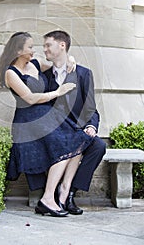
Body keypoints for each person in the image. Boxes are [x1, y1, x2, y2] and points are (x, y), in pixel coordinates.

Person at [0, 32, 94, 217]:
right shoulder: (11, 73)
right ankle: (48, 199)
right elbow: (30, 98)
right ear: (18, 51)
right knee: (64, 146)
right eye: (30, 47)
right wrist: (57, 92)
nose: (35, 50)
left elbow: (58, 62)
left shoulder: (35, 63)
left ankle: (62, 194)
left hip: (46, 117)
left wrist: (71, 59)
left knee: (79, 141)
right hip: (28, 121)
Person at [43, 30, 106, 215]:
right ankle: (56, 194)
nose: (44, 49)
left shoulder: (84, 74)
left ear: (62, 45)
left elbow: (90, 107)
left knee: (99, 146)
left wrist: (91, 126)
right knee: (73, 140)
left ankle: (69, 192)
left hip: (78, 128)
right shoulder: (44, 76)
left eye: (48, 45)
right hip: (54, 132)